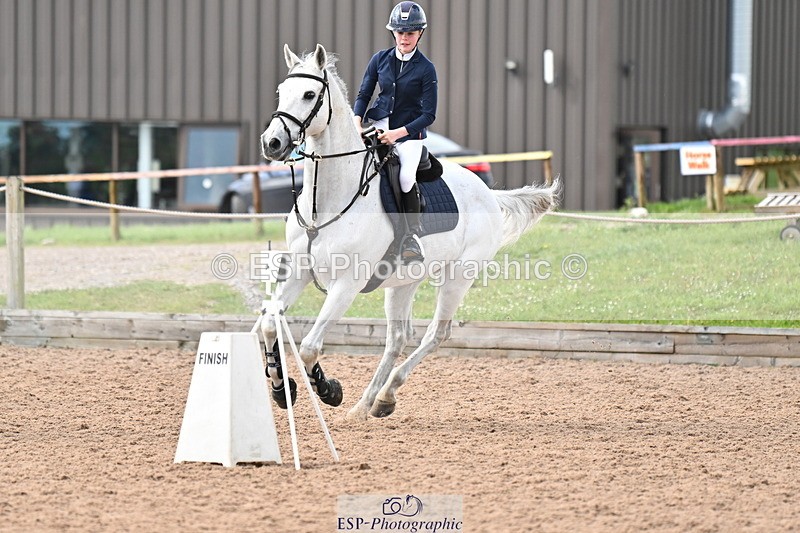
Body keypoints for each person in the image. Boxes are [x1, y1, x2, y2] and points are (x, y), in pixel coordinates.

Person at [353, 1, 437, 264]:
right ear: (394, 33)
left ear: (419, 34)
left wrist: (397, 134)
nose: (404, 38)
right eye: (400, 32)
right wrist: (357, 121)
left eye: (410, 33)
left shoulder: (426, 69)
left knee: (404, 177)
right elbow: (364, 93)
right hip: (378, 125)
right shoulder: (380, 59)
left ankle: (410, 236)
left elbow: (428, 115)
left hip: (410, 134)